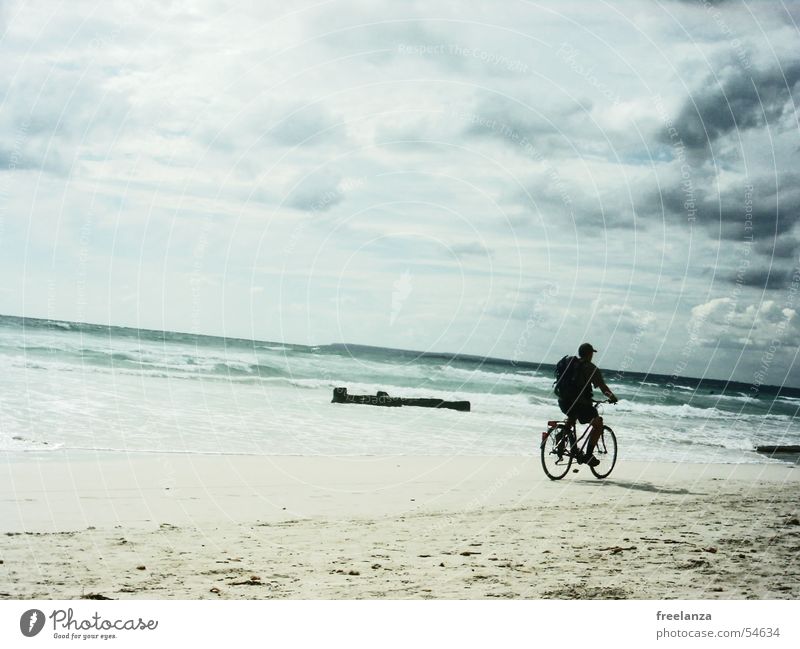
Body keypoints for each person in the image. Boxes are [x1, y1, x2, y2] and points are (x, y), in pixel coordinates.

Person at [558, 343, 618, 467]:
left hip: (563, 401)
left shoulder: (570, 363)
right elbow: (602, 387)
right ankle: (588, 455)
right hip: (580, 404)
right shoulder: (591, 368)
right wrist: (612, 397)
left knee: (571, 416)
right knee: (598, 424)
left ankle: (563, 438)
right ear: (590, 354)